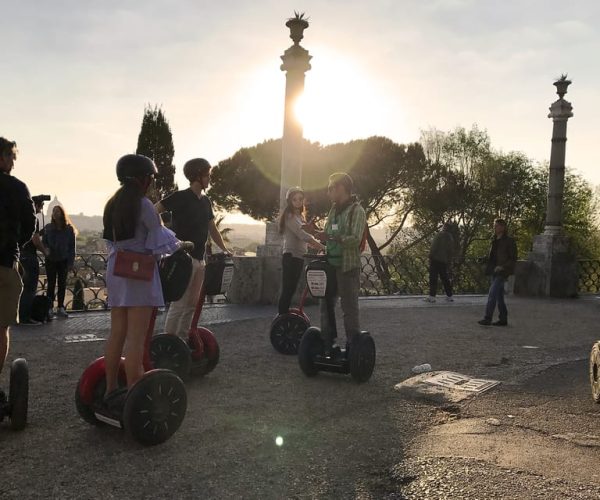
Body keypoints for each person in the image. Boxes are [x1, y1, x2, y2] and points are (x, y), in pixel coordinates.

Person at [101, 154, 182, 410]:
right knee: (136, 339)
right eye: (151, 177)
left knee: (117, 334)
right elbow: (159, 242)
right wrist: (182, 245)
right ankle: (136, 393)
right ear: (143, 178)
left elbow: (111, 242)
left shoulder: (112, 204)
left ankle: (111, 388)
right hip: (139, 273)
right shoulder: (143, 204)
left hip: (117, 270)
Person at [155, 158, 232, 338]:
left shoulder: (206, 201)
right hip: (183, 258)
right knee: (180, 303)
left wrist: (224, 249)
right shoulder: (180, 197)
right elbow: (154, 210)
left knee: (192, 304)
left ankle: (181, 340)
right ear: (197, 176)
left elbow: (212, 228)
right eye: (207, 175)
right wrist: (167, 237)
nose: (209, 179)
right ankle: (169, 340)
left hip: (200, 259)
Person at [0, 137, 36, 403]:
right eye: (11, 156)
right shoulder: (16, 187)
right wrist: (13, 245)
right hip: (3, 263)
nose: (13, 161)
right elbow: (29, 225)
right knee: (1, 328)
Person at [315, 172, 366, 355]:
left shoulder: (357, 211)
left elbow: (354, 239)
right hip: (330, 264)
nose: (328, 193)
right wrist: (318, 233)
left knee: (349, 308)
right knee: (325, 305)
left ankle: (354, 348)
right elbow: (329, 233)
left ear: (341, 188)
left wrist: (329, 236)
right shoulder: (333, 210)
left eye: (330, 188)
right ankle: (329, 344)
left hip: (347, 266)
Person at [277, 187, 325, 315]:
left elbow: (306, 237)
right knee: (288, 289)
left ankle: (284, 316)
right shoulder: (290, 216)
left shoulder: (300, 216)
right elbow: (302, 235)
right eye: (294, 199)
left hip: (298, 256)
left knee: (291, 289)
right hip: (291, 256)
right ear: (290, 201)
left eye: (300, 199)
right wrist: (321, 247)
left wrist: (316, 244)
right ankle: (282, 316)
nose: (298, 201)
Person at [478, 218, 518, 327]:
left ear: (503, 227)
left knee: (492, 293)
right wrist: (484, 259)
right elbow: (493, 256)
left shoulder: (509, 241)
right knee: (499, 296)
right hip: (494, 270)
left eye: (496, 226)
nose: (494, 228)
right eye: (494, 226)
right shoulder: (494, 240)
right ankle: (503, 318)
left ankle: (487, 318)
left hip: (503, 271)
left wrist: (502, 267)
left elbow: (513, 258)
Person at [42, 205, 77, 319]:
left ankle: (61, 307)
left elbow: (72, 247)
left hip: (63, 260)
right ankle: (49, 308)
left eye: (57, 211)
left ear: (62, 214)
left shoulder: (69, 229)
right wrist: (46, 249)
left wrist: (71, 262)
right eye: (53, 211)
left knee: (62, 284)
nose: (55, 213)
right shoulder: (48, 228)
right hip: (51, 259)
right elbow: (44, 242)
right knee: (51, 284)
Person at [18, 196, 49, 324]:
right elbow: (36, 241)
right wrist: (45, 251)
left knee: (21, 287)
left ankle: (17, 316)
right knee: (30, 288)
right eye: (41, 206)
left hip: (19, 256)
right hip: (29, 256)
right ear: (35, 206)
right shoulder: (32, 219)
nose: (41, 209)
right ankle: (25, 317)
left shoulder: (19, 218)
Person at [424, 222, 455, 303]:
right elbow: (451, 251)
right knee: (445, 278)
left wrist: (430, 256)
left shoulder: (439, 235)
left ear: (444, 227)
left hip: (435, 259)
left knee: (433, 278)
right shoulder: (450, 238)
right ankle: (449, 296)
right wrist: (449, 261)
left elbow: (434, 246)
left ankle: (432, 296)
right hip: (444, 260)